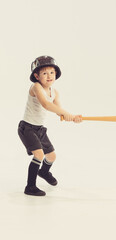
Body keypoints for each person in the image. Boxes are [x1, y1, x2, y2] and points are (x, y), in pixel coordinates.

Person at [18, 56, 82, 196]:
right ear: (37, 76)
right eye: (45, 73)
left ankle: (44, 172)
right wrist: (66, 113)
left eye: (52, 73)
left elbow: (59, 111)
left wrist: (72, 117)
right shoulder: (36, 87)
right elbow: (46, 105)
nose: (49, 76)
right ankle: (30, 187)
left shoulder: (55, 92)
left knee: (52, 156)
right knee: (39, 155)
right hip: (27, 128)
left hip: (39, 129)